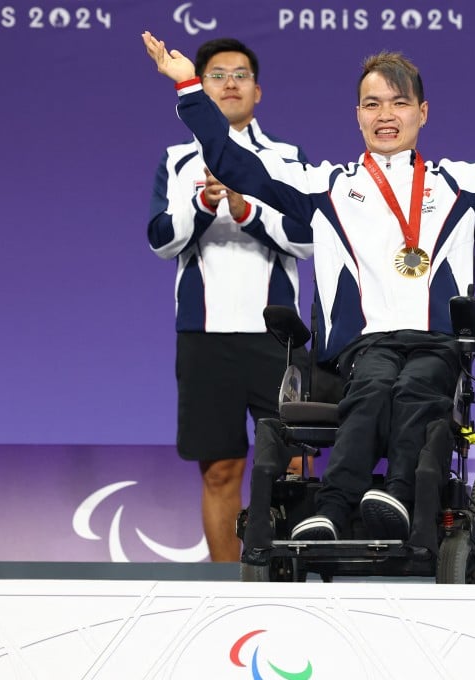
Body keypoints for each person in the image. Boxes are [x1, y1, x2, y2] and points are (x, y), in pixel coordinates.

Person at [142, 31, 475, 549]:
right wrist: (188, 84)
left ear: (423, 112)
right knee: (372, 389)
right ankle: (331, 510)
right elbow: (237, 163)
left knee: (417, 388)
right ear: (357, 116)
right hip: (363, 346)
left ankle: (395, 497)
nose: (386, 115)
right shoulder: (328, 188)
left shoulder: (460, 184)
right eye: (372, 104)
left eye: (399, 103)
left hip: (436, 342)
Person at [147, 37, 313, 562]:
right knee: (222, 469)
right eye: (217, 75)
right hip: (205, 339)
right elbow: (159, 239)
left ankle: (296, 574)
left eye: (241, 75)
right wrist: (202, 202)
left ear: (257, 92)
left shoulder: (287, 159)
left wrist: (246, 210)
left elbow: (310, 239)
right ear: (200, 86)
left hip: (277, 340)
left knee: (295, 466)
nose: (230, 83)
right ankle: (220, 591)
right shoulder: (177, 160)